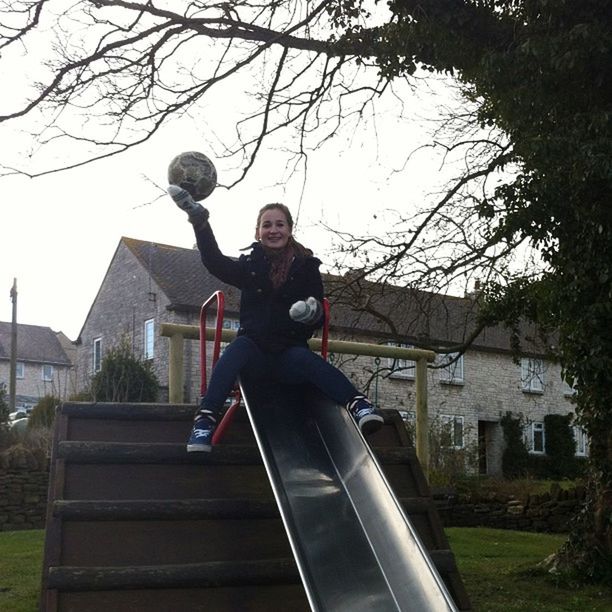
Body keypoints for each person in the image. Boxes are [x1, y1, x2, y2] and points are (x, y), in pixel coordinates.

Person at [168, 185, 384, 452]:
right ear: (257, 232)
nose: (274, 230)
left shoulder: (306, 268)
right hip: (254, 358)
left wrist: (310, 311)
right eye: (267, 225)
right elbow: (214, 262)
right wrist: (199, 220)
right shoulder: (249, 266)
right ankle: (205, 420)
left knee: (304, 358)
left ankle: (358, 404)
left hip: (288, 357)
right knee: (238, 348)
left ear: (290, 229)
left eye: (280, 224)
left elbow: (317, 315)